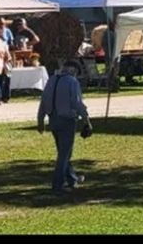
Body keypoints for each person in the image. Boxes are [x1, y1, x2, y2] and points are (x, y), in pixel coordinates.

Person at [36, 58, 91, 195]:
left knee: (63, 152)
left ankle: (72, 179)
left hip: (53, 119)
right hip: (67, 120)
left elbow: (44, 100)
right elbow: (77, 103)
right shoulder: (72, 82)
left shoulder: (52, 79)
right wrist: (86, 121)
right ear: (74, 71)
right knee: (64, 155)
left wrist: (40, 120)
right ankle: (57, 185)